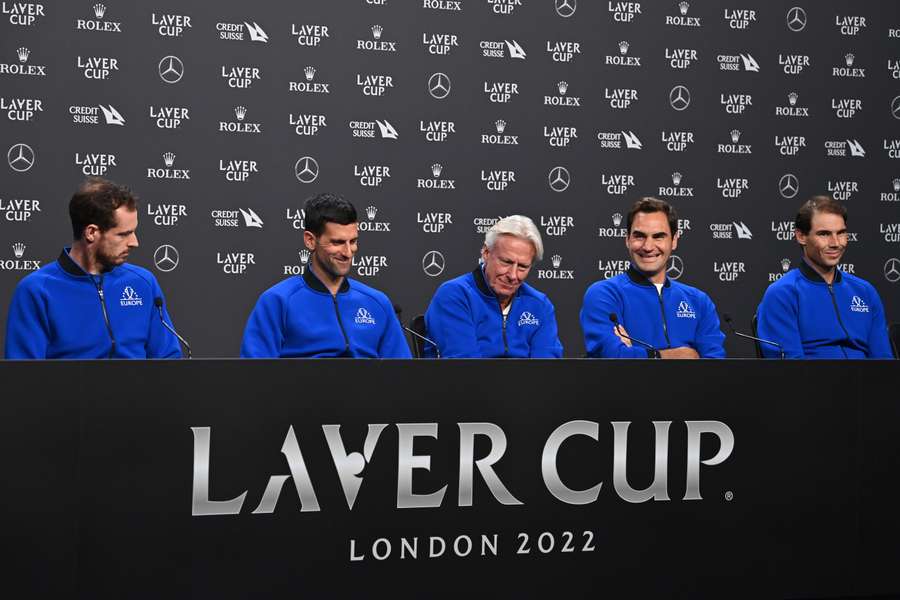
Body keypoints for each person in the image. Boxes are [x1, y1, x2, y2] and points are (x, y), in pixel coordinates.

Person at [4, 178, 182, 359]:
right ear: (91, 233)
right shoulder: (37, 290)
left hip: (139, 387)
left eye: (133, 232)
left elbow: (169, 361)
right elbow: (23, 377)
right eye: (124, 234)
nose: (134, 242)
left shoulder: (143, 282)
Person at [241, 193, 410, 358]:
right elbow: (254, 377)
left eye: (353, 242)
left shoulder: (378, 303)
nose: (348, 252)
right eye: (337, 242)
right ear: (310, 240)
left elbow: (403, 377)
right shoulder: (277, 301)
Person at [580, 197, 725, 358]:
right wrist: (674, 355)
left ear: (674, 240)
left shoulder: (699, 301)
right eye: (639, 236)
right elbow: (613, 357)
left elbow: (714, 366)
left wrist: (634, 354)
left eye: (658, 236)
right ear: (627, 239)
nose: (648, 247)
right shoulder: (604, 294)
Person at [756, 196, 892, 359]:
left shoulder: (865, 291)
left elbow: (884, 362)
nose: (835, 243)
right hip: (811, 383)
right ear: (801, 236)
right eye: (824, 234)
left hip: (867, 383)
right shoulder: (782, 293)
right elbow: (789, 371)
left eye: (841, 233)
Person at [424, 215, 563, 358]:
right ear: (486, 253)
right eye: (506, 262)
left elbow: (547, 369)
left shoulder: (540, 305)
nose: (513, 275)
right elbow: (463, 367)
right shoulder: (455, 295)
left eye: (522, 266)